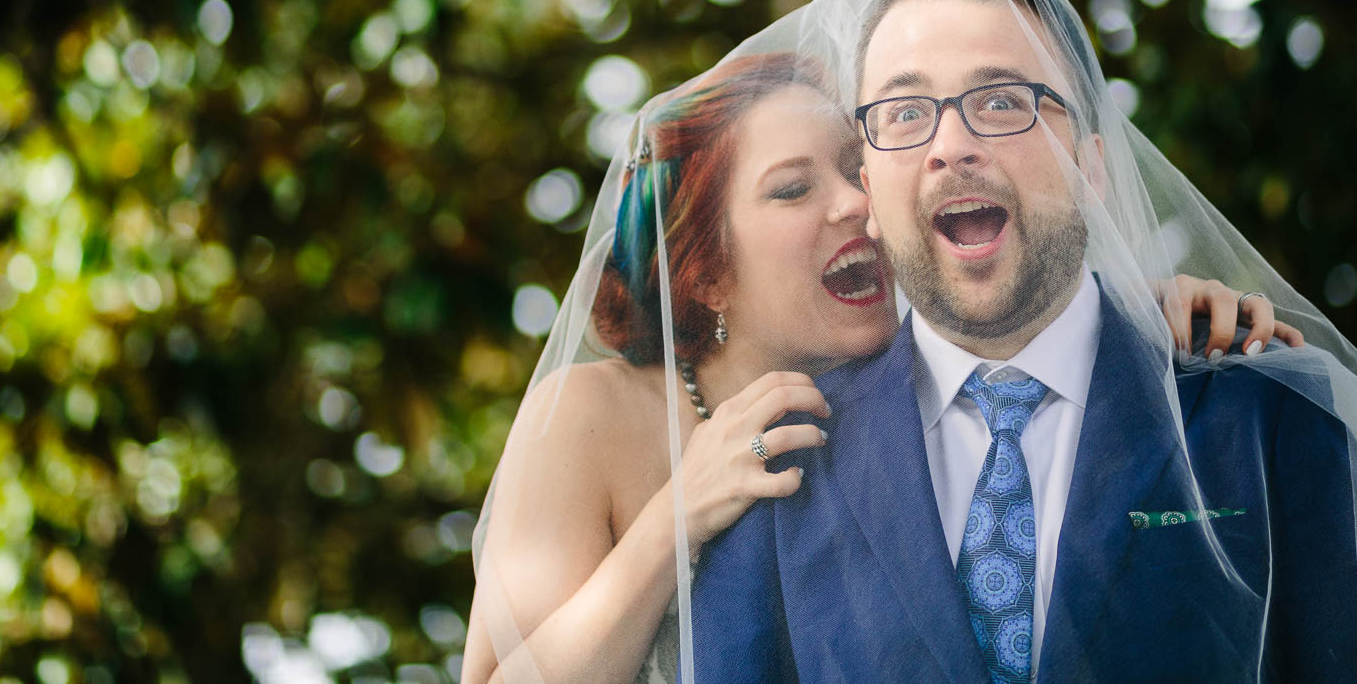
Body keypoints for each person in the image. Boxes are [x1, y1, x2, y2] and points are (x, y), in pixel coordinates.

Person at [688, 0, 1357, 682]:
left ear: (1092, 165)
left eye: (1001, 100)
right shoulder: (776, 487)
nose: (951, 144)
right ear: (870, 190)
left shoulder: (1275, 425)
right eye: (906, 113)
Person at [461, 49, 1301, 684]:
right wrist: (675, 517)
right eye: (792, 189)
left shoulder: (895, 409)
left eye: (852, 169)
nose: (856, 204)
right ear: (705, 269)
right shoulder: (595, 414)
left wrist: (1133, 323)